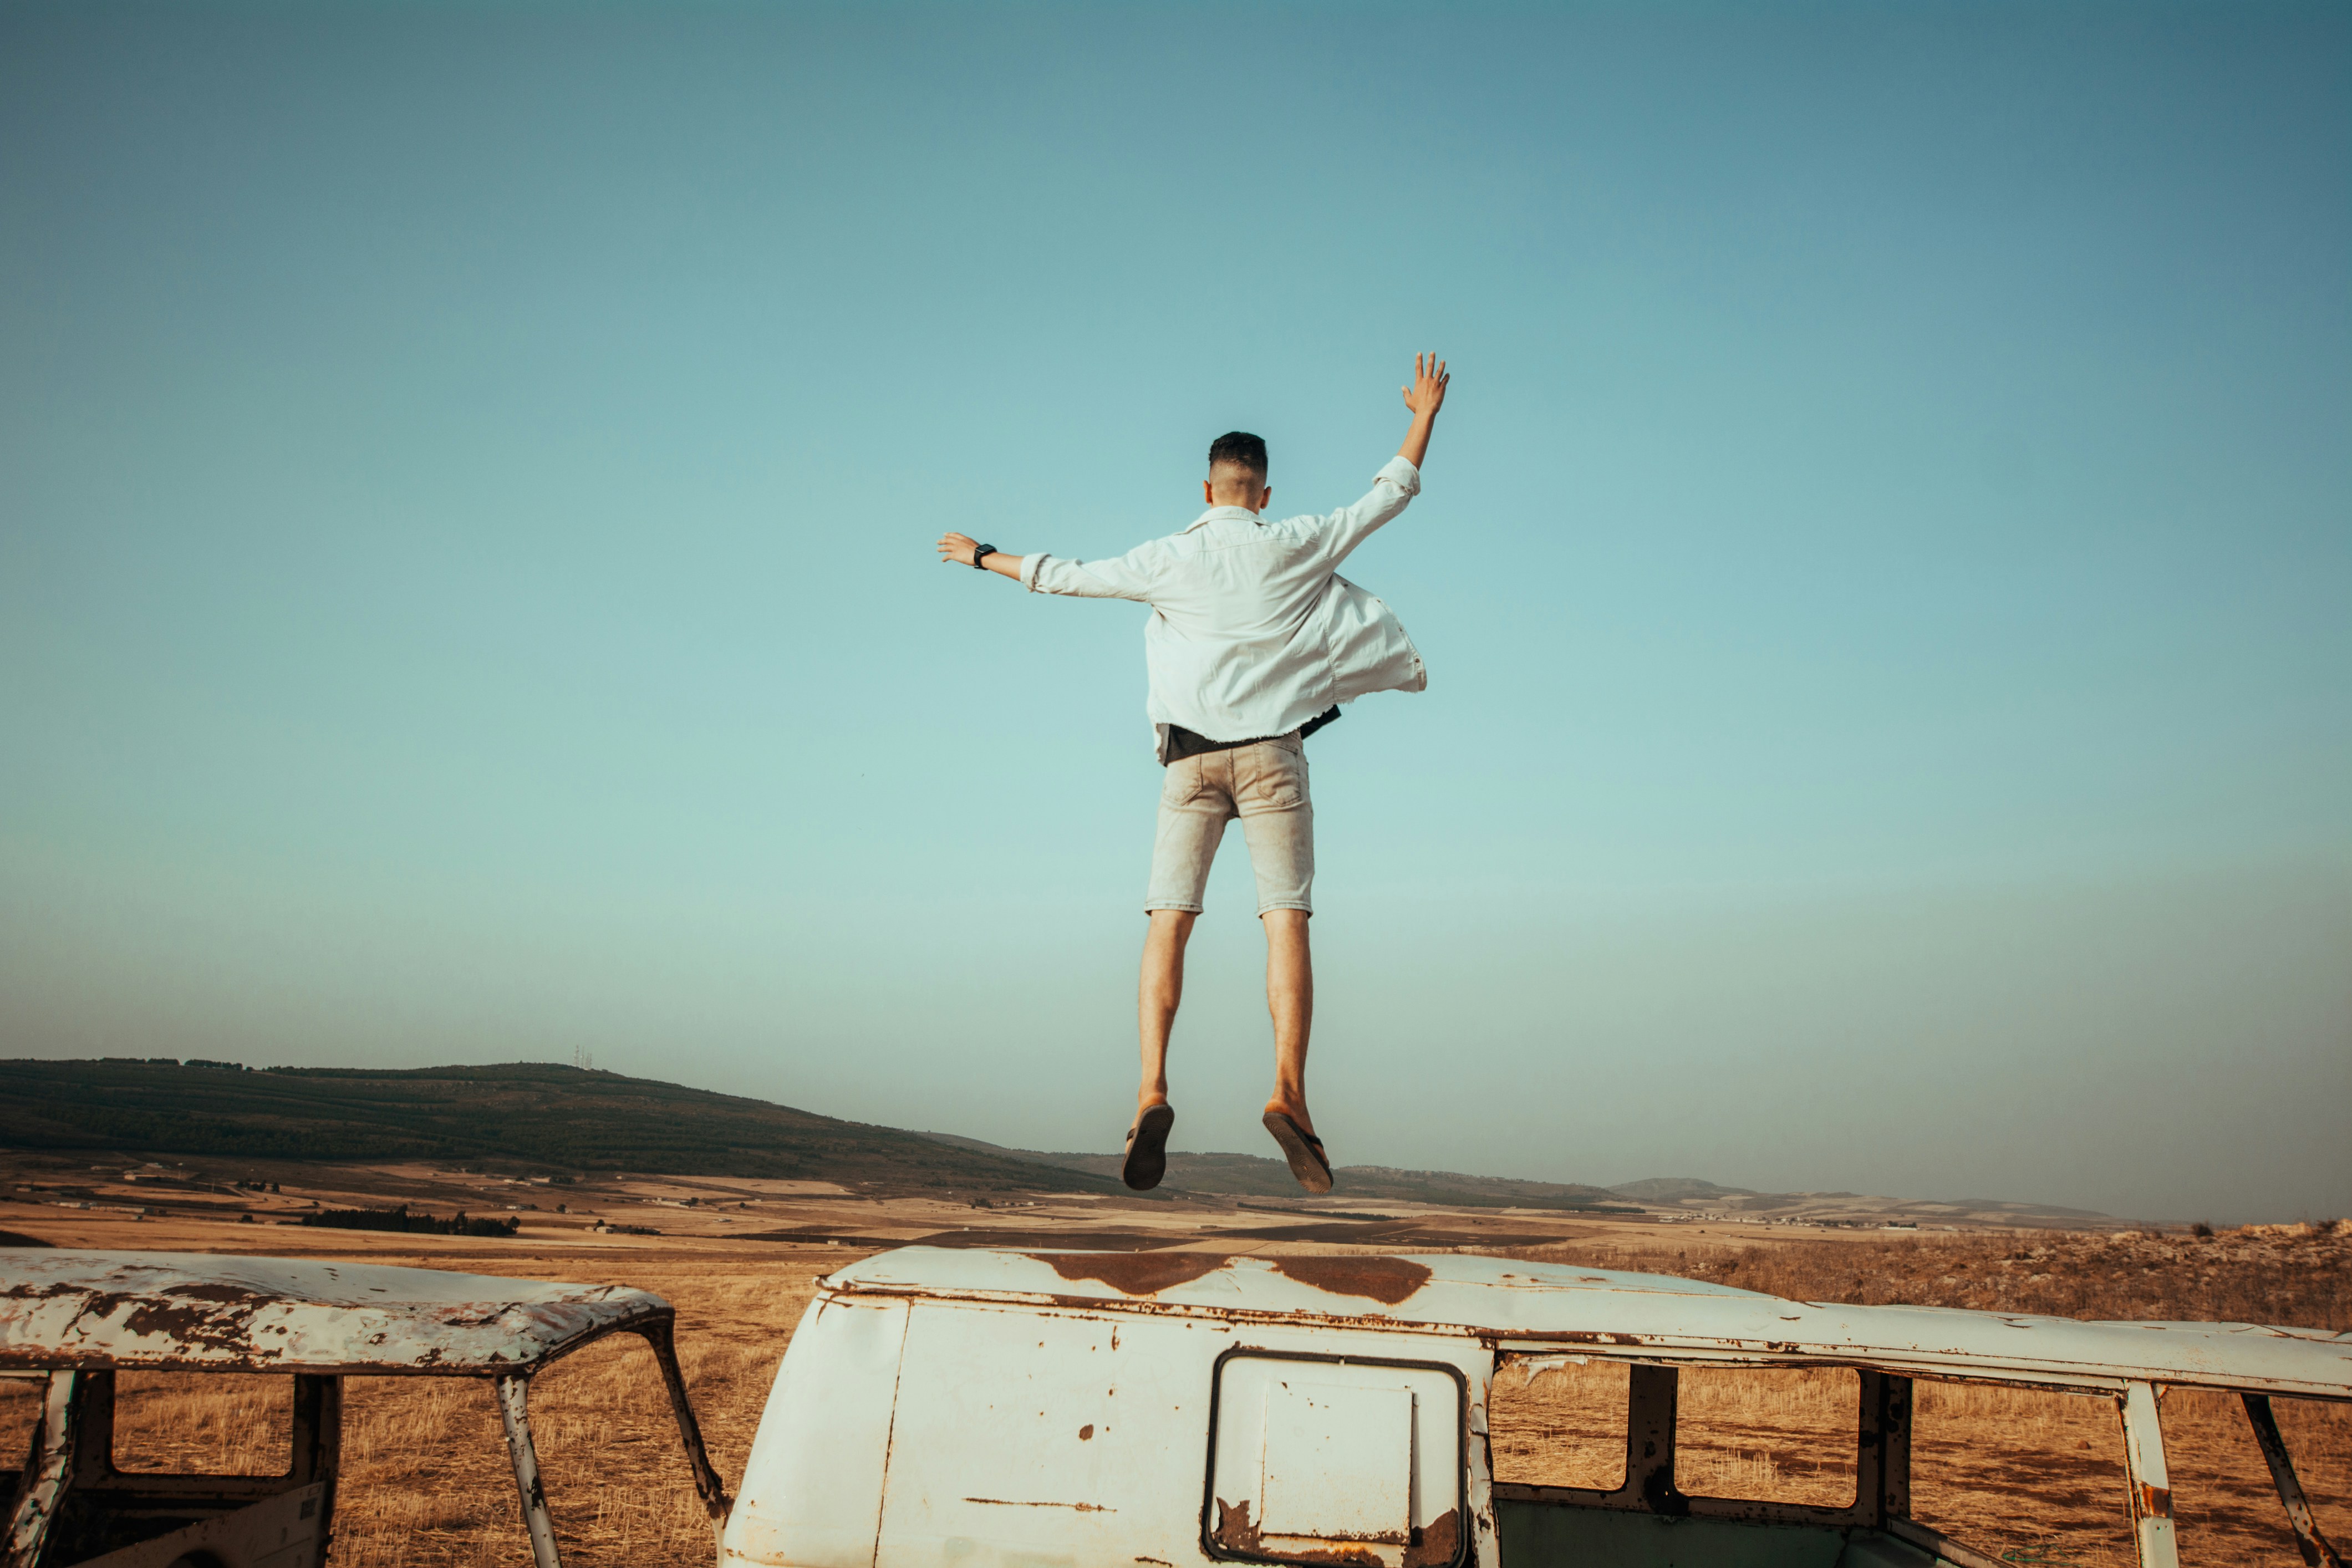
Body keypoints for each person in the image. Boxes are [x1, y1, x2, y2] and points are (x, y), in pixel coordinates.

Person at [936, 354, 1451, 1193]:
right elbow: (1390, 492)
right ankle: (1289, 1092)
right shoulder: (1297, 539)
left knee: (1167, 923)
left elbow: (1062, 576)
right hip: (1274, 756)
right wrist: (1423, 413)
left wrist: (981, 554)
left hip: (1189, 762)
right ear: (1263, 493)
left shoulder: (1165, 558)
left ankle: (1150, 1090)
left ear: (1208, 490)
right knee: (1285, 921)